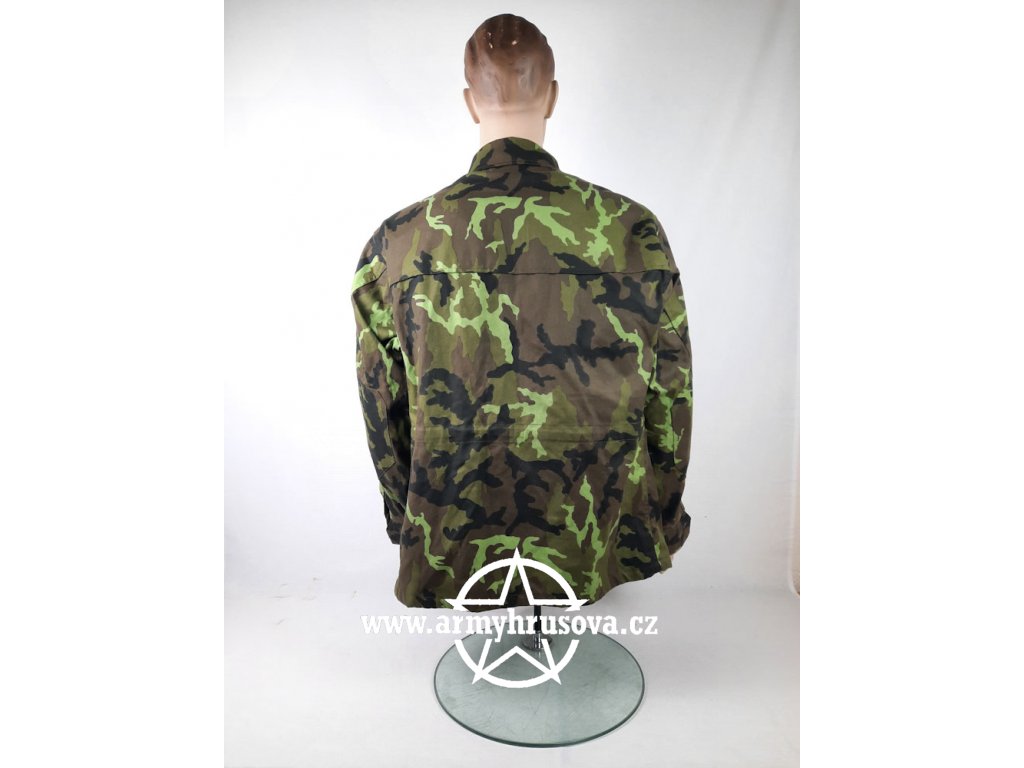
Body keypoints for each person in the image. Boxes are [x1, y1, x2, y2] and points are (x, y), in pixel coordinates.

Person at [351, 13, 693, 610]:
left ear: (469, 103)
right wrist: (661, 516)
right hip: (597, 531)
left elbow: (383, 405)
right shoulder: (632, 230)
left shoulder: (397, 243)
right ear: (553, 97)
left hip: (453, 535)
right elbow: (671, 393)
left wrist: (409, 522)